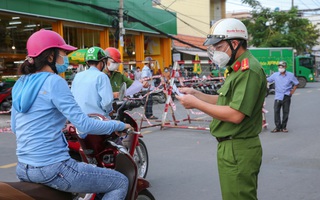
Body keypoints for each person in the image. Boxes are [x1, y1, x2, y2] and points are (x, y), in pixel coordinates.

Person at [11, 29, 131, 200]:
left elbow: (16, 127)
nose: (65, 58)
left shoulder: (20, 83)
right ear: (50, 57)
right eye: (63, 53)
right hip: (53, 168)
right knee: (119, 182)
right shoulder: (54, 81)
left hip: (24, 168)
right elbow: (85, 125)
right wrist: (118, 125)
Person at [176, 18, 267, 200]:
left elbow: (235, 114)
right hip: (231, 146)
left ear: (234, 43)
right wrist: (197, 94)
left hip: (238, 147)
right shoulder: (236, 69)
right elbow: (225, 100)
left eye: (218, 46)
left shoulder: (248, 71)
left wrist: (195, 104)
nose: (215, 51)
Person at [71, 46, 114, 118]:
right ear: (102, 62)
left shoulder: (78, 76)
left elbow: (72, 98)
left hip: (78, 119)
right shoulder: (102, 76)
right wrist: (109, 111)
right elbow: (107, 102)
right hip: (98, 121)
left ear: (87, 62)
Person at [267, 61, 299, 133]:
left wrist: (292, 91)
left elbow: (296, 83)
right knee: (276, 111)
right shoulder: (275, 75)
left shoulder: (290, 75)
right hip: (278, 96)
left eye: (282, 67)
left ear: (285, 67)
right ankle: (277, 127)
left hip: (286, 96)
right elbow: (267, 80)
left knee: (285, 112)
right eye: (279, 67)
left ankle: (284, 127)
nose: (280, 68)